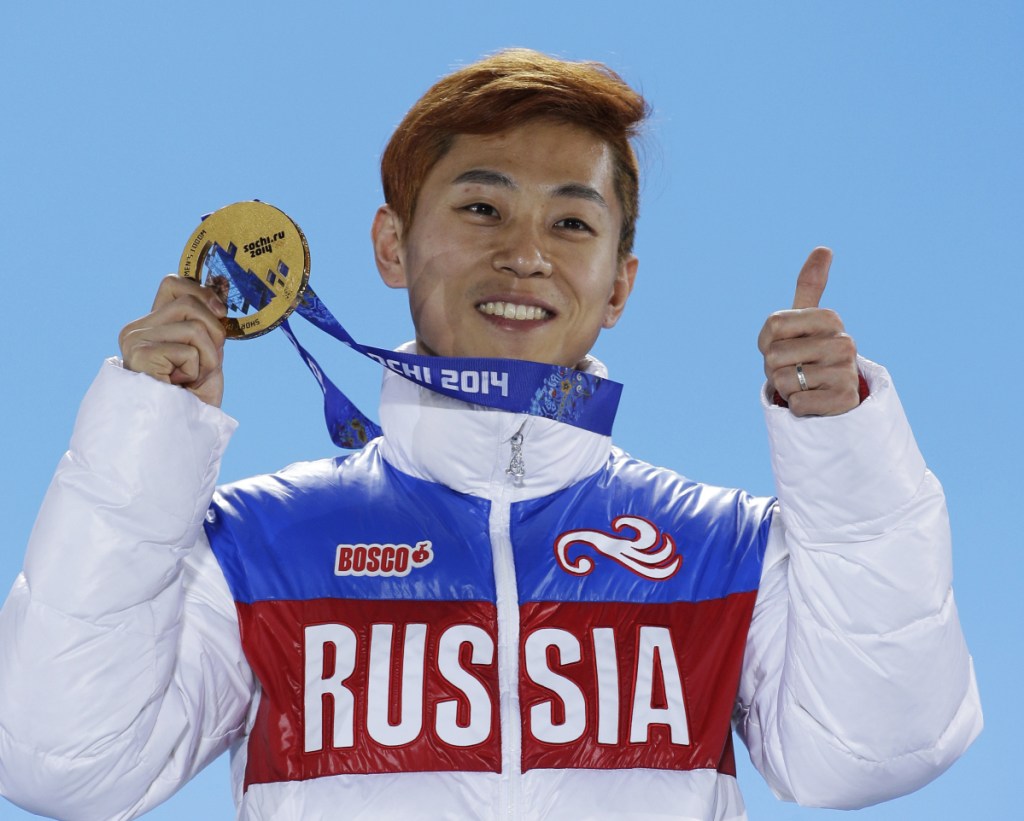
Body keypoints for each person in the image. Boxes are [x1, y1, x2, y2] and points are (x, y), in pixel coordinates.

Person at [0, 49, 981, 821]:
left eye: (571, 225)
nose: (524, 255)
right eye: (481, 207)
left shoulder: (719, 549)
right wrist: (148, 437)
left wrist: (842, 443)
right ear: (392, 245)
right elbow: (63, 762)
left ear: (620, 285)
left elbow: (873, 747)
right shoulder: (261, 546)